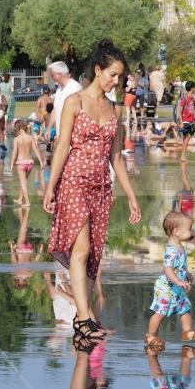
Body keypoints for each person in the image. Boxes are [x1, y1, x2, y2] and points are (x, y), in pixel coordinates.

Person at [43, 40, 142, 348]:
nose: (117, 81)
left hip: (101, 186)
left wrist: (132, 196)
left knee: (93, 256)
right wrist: (50, 187)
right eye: (112, 75)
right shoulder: (75, 102)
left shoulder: (115, 110)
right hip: (73, 180)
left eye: (120, 77)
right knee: (81, 249)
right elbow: (62, 147)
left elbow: (117, 158)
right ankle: (84, 317)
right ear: (98, 71)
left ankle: (82, 317)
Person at [144, 210, 195, 351]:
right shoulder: (172, 250)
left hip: (177, 286)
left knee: (185, 308)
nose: (192, 232)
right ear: (176, 231)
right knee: (160, 312)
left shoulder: (180, 247)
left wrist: (185, 273)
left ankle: (187, 332)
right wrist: (178, 281)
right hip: (167, 287)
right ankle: (151, 335)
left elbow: (178, 267)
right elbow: (167, 269)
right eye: (189, 229)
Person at [11, 120, 44, 207]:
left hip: (21, 163)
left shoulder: (16, 139)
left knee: (23, 182)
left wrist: (11, 163)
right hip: (30, 163)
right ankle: (20, 199)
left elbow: (14, 152)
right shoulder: (30, 138)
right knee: (24, 181)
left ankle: (27, 202)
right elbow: (35, 149)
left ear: (18, 128)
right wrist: (40, 161)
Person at [49, 61, 82, 142]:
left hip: (72, 136)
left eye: (52, 75)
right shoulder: (59, 88)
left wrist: (64, 134)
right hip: (61, 135)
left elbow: (78, 115)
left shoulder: (75, 87)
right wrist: (49, 128)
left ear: (60, 74)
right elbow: (55, 109)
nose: (51, 77)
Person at [176, 81, 195, 151]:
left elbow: (193, 110)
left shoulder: (192, 98)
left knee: (187, 137)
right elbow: (180, 111)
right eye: (194, 87)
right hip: (185, 121)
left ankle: (183, 155)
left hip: (191, 121)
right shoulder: (184, 98)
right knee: (187, 137)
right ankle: (183, 155)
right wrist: (181, 122)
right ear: (192, 88)